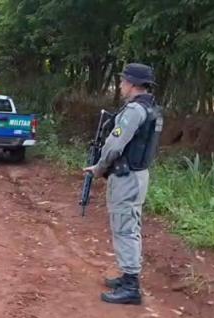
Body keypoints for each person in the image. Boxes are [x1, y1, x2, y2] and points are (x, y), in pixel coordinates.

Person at [82, 63, 163, 305]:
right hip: (137, 175)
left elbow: (114, 145)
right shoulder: (152, 109)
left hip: (127, 177)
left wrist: (99, 167)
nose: (120, 85)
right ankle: (128, 276)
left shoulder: (134, 111)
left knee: (124, 227)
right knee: (129, 225)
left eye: (123, 81)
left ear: (132, 84)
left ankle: (131, 286)